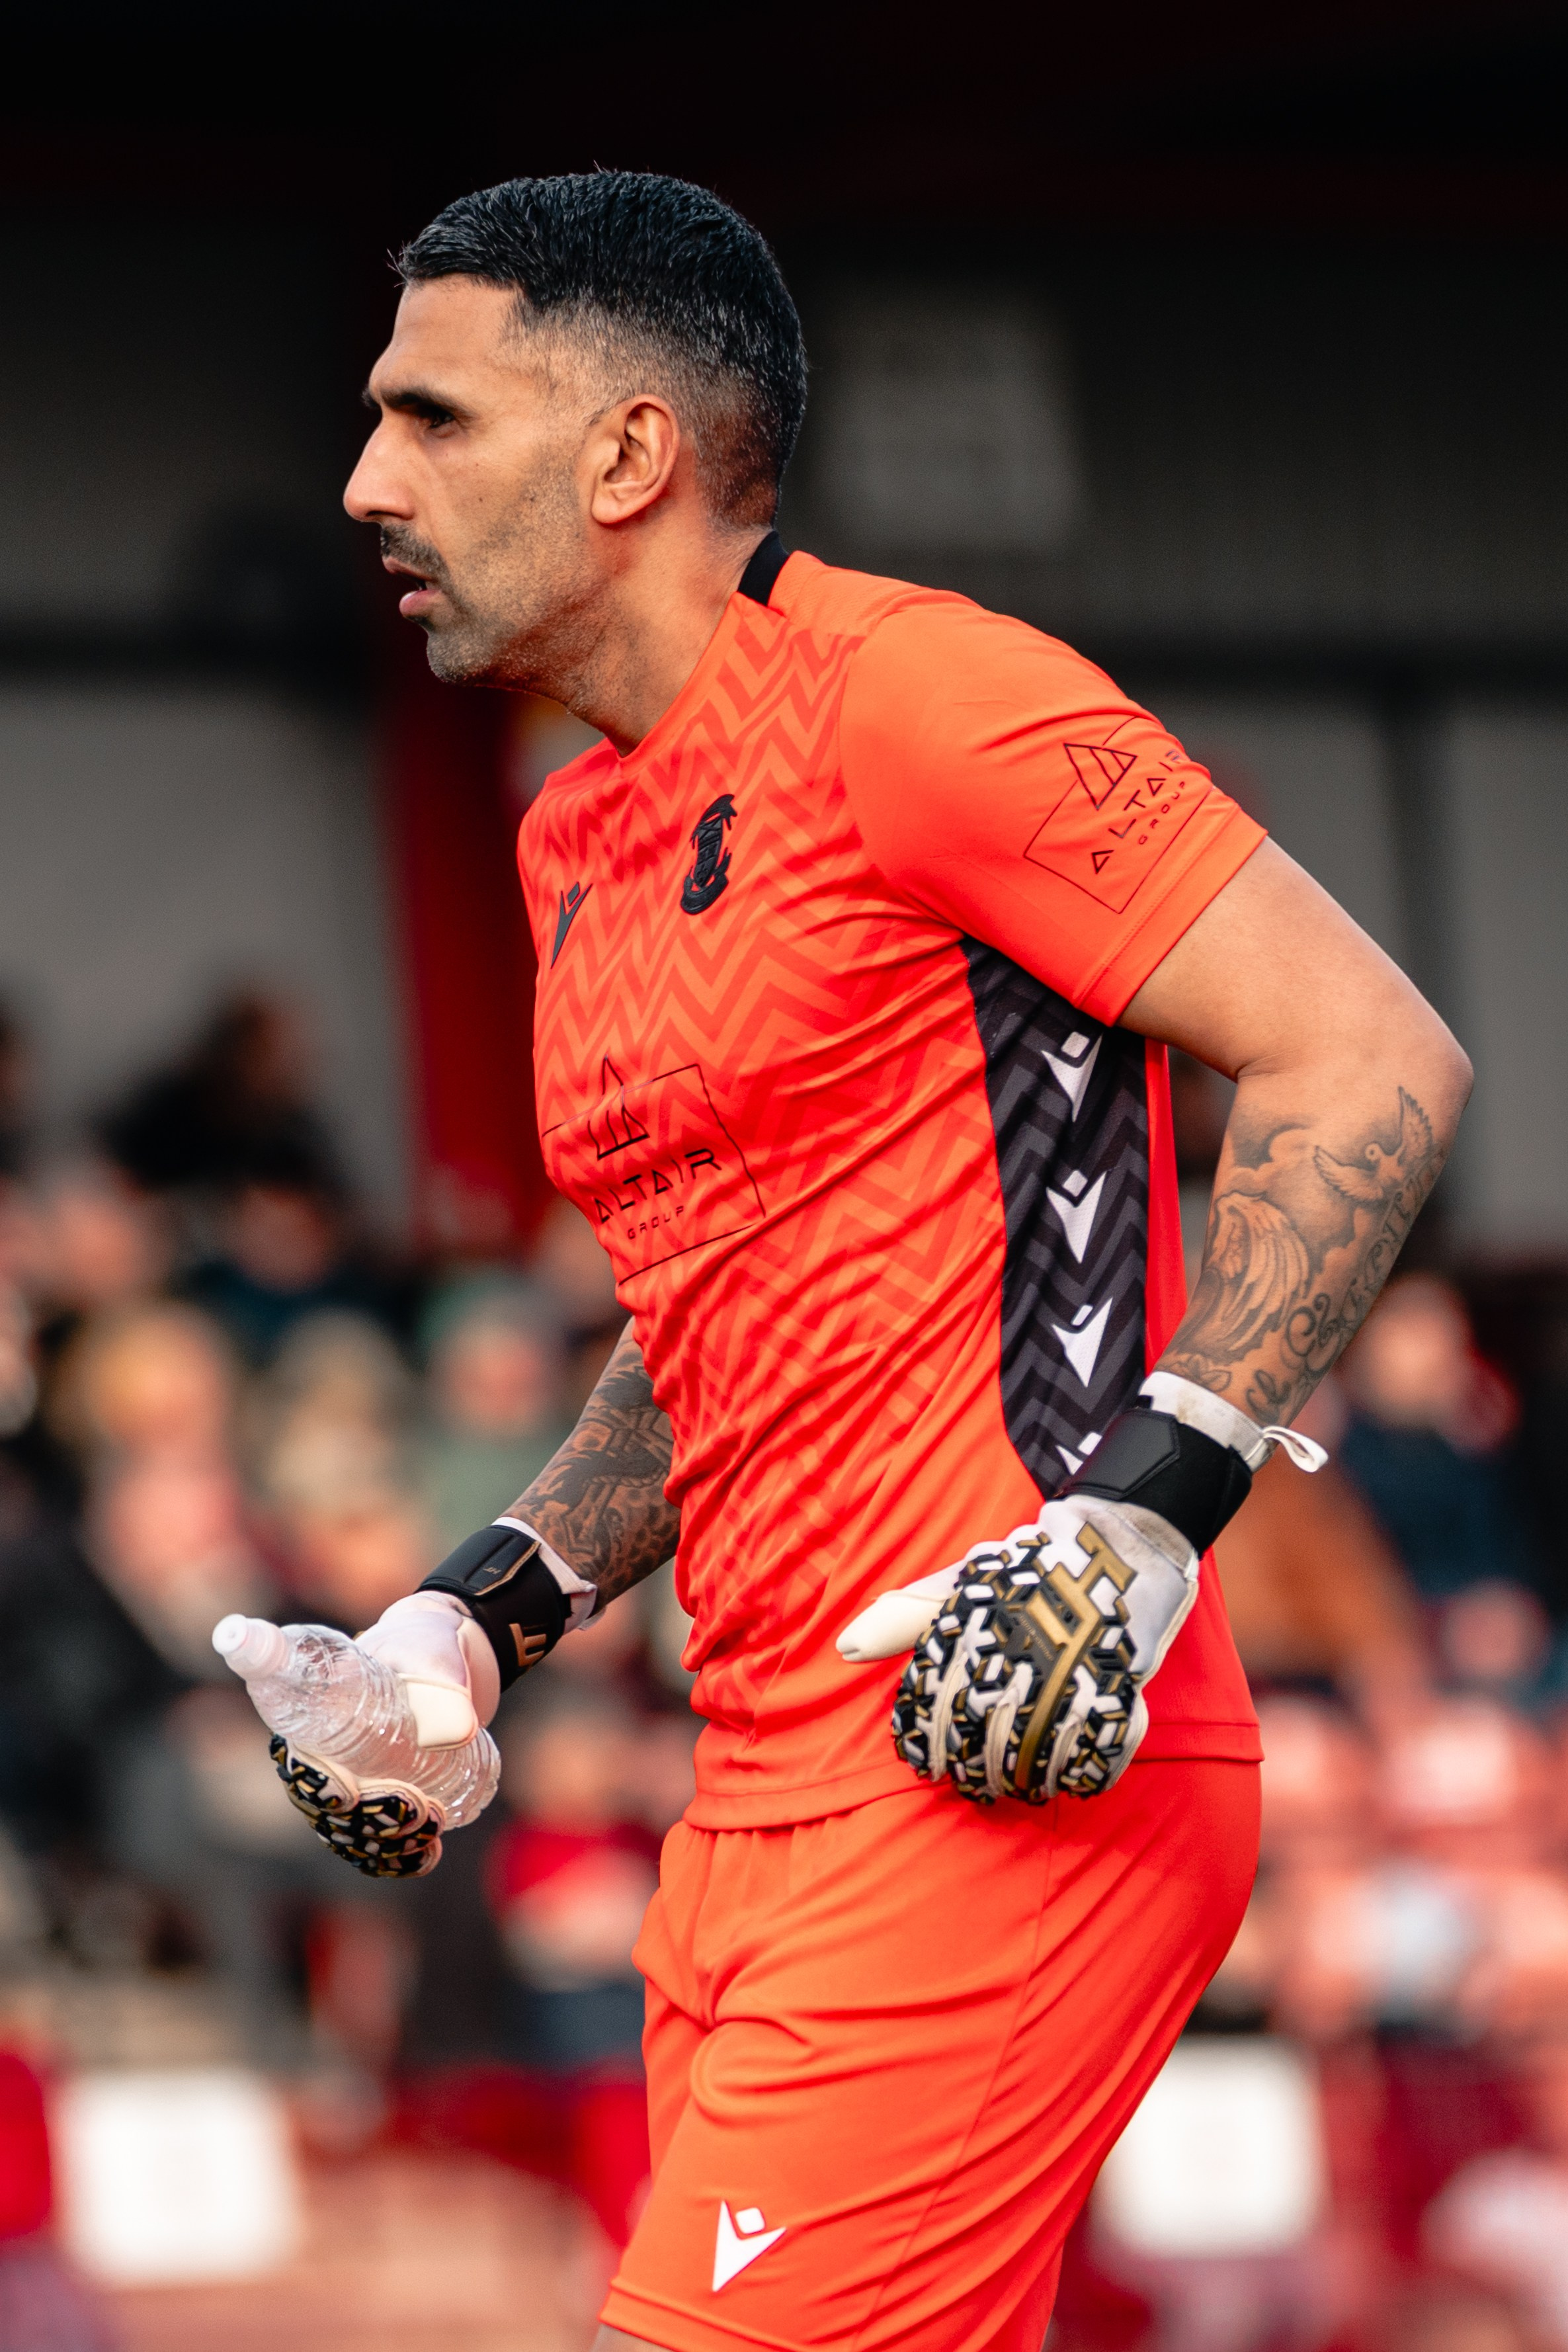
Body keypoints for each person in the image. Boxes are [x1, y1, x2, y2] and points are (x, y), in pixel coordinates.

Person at [302, 171, 1469, 2352]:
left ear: (629, 453)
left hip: (1005, 1765)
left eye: (430, 418)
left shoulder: (922, 696)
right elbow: (707, 1319)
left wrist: (1141, 1518)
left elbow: (1364, 1047)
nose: (366, 482)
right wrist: (473, 1619)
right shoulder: (571, 835)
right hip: (747, 1805)